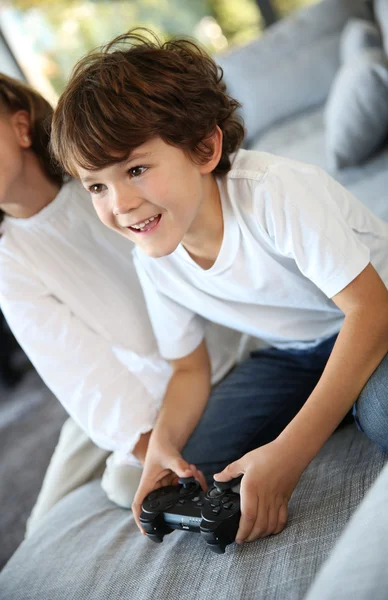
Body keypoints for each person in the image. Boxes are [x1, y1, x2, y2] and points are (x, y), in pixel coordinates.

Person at [51, 30, 388, 546]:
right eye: (97, 185)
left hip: (381, 311)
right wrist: (163, 446)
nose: (119, 204)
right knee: (185, 464)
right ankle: (339, 399)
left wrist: (289, 453)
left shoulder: (275, 193)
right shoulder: (154, 256)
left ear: (205, 148)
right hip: (294, 353)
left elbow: (370, 314)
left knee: (387, 410)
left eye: (137, 169)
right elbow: (190, 369)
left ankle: (352, 401)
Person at [0, 72, 255, 536]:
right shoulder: (11, 263)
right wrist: (151, 450)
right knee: (50, 516)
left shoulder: (103, 178)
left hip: (191, 353)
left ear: (20, 128)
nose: (113, 197)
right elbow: (81, 375)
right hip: (127, 377)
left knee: (115, 471)